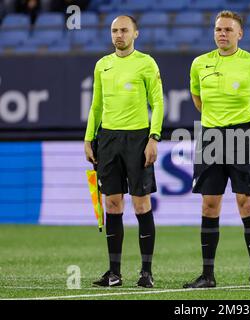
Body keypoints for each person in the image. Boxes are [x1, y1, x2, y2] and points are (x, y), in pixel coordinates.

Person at [183, 10, 250, 289]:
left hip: (242, 136)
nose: (222, 34)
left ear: (240, 34)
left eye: (227, 29)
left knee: (245, 203)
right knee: (209, 204)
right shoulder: (199, 63)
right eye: (218, 29)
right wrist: (215, 123)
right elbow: (197, 97)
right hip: (210, 138)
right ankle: (207, 275)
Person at [84, 15, 164, 288]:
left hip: (138, 139)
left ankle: (146, 272)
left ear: (135, 34)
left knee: (141, 203)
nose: (119, 35)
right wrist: (88, 138)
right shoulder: (102, 65)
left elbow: (158, 103)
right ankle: (114, 273)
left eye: (124, 30)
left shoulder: (146, 63)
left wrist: (154, 138)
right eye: (115, 31)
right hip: (107, 139)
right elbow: (96, 105)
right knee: (112, 204)